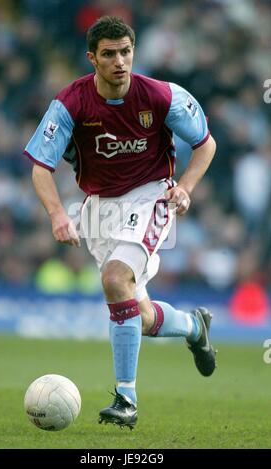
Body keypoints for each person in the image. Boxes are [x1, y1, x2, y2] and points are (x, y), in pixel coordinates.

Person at [24, 16, 217, 430]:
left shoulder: (163, 96)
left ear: (134, 52)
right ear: (92, 58)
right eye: (108, 54)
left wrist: (184, 187)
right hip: (98, 208)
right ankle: (193, 327)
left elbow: (205, 144)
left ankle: (126, 398)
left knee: (115, 279)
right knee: (139, 315)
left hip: (151, 196)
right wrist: (58, 214)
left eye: (125, 52)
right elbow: (41, 168)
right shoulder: (71, 103)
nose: (119, 62)